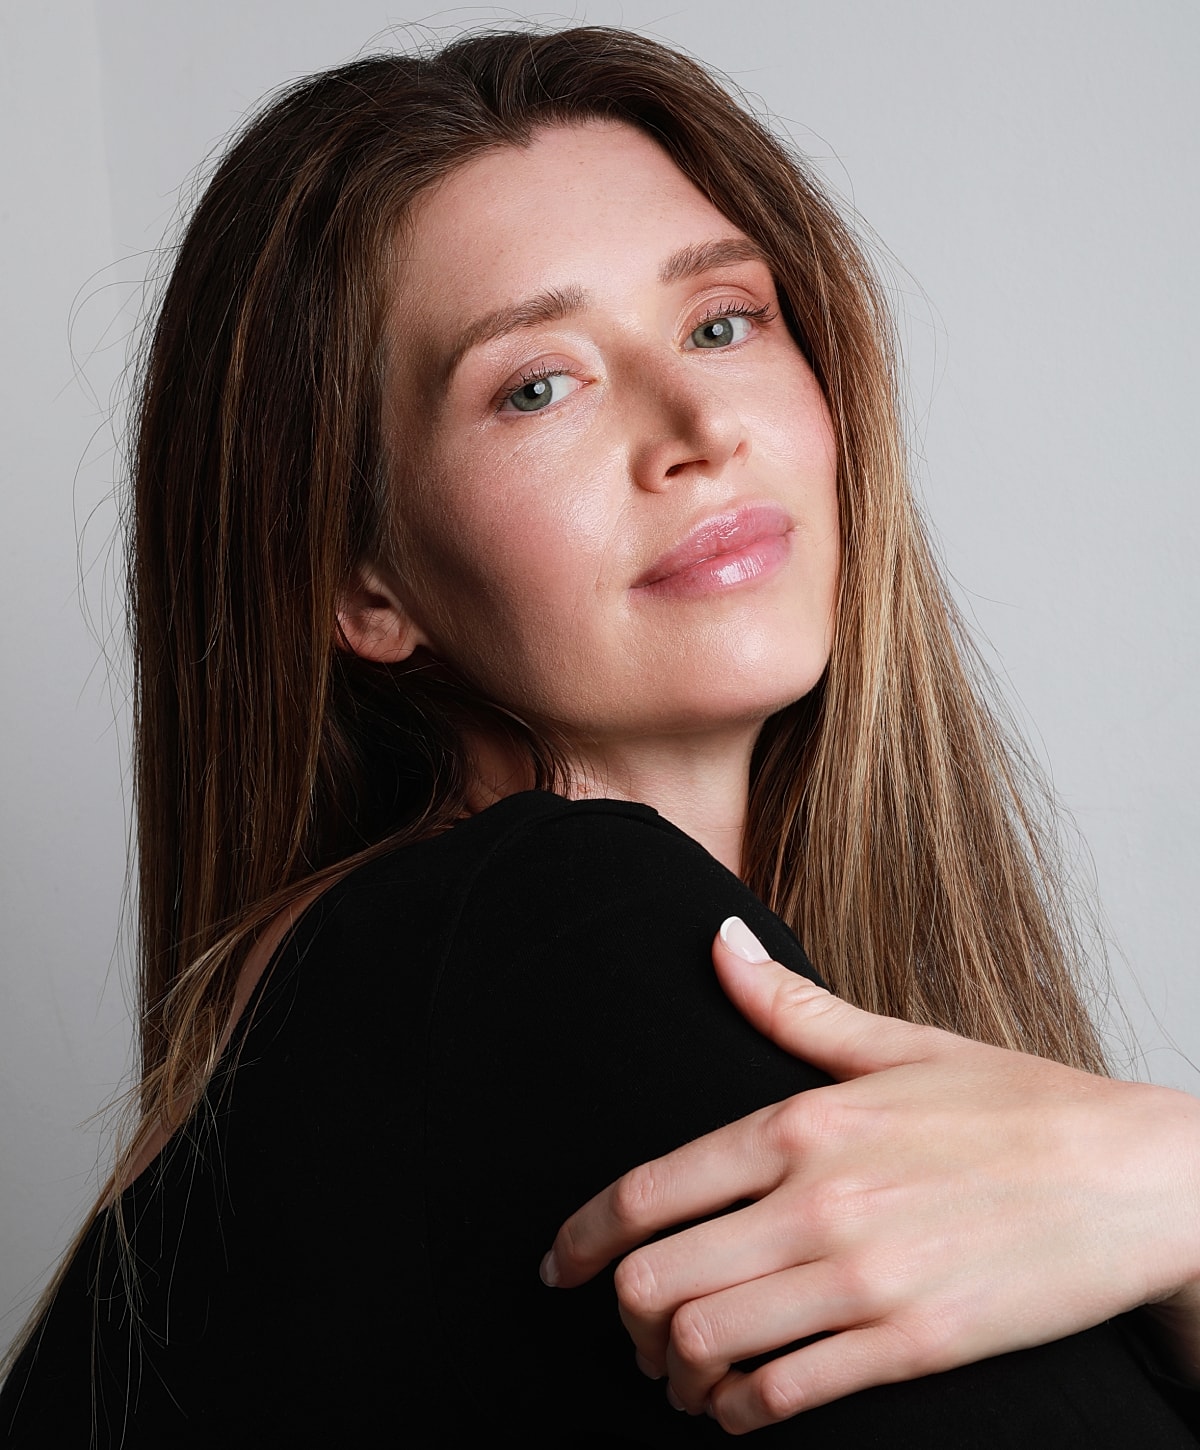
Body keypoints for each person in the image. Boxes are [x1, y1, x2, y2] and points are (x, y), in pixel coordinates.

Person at [2, 23, 1198, 1447]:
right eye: (537, 384)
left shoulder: (444, 987)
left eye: (722, 322)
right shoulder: (539, 933)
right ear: (362, 581)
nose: (698, 423)